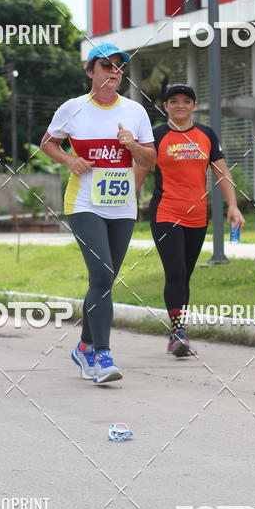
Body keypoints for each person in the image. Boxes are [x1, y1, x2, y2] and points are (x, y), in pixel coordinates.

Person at [40, 42, 155, 384]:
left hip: (122, 207)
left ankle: (84, 347)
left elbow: (150, 161)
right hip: (84, 204)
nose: (113, 72)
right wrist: (70, 159)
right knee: (103, 275)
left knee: (103, 280)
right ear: (91, 71)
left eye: (118, 67)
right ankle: (103, 356)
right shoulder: (73, 109)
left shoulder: (135, 112)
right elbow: (48, 142)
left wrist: (131, 145)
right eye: (105, 66)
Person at [135, 84, 245, 357]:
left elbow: (221, 172)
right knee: (175, 272)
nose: (180, 105)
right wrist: (126, 203)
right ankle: (178, 334)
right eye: (174, 101)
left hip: (197, 216)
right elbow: (140, 170)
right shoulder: (156, 135)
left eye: (186, 101)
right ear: (166, 106)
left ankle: (177, 332)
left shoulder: (206, 135)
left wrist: (232, 205)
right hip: (165, 212)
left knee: (186, 275)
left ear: (194, 106)